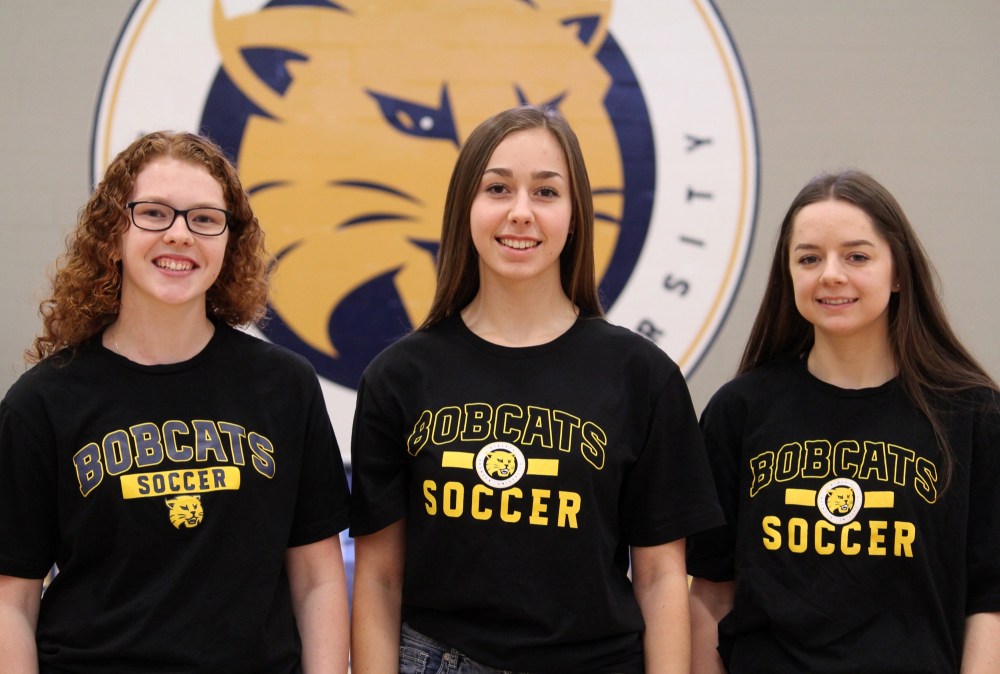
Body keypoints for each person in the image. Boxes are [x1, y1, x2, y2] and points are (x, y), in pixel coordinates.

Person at [348, 104, 724, 673]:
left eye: (546, 192)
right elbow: (379, 579)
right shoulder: (399, 377)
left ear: (575, 218)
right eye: (497, 188)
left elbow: (659, 576)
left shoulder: (642, 376)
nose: (520, 212)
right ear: (465, 209)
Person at [0, 131, 351, 673]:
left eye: (205, 219)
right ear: (112, 233)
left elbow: (318, 580)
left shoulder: (285, 386)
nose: (180, 234)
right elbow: (12, 600)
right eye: (154, 213)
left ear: (229, 242)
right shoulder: (42, 402)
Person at [687, 170, 1000, 673]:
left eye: (857, 256)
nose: (831, 275)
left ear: (898, 273)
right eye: (809, 258)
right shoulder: (738, 412)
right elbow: (709, 592)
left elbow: (989, 601)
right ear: (788, 275)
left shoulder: (971, 414)